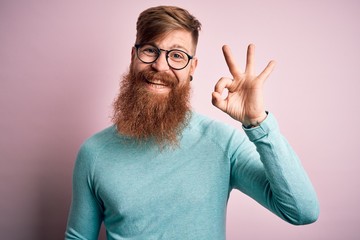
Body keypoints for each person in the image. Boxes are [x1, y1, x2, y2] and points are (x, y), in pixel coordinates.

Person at [65, 5, 319, 240]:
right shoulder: (94, 152)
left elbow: (302, 212)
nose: (160, 65)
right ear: (133, 56)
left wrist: (258, 123)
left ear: (192, 67)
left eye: (176, 55)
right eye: (150, 50)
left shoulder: (222, 143)